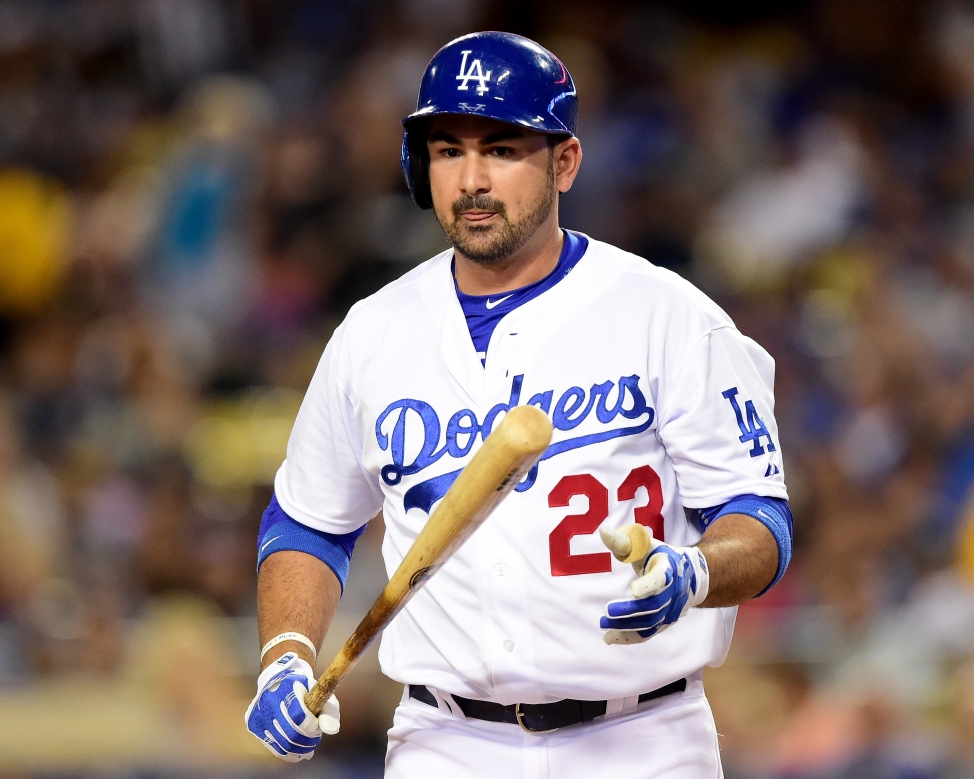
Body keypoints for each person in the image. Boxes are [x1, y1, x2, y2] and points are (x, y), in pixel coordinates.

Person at [245, 31, 792, 779]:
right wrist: (285, 653)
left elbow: (760, 520)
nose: (472, 179)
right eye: (448, 150)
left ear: (564, 161)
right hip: (445, 739)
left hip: (642, 738)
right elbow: (309, 520)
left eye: (502, 150)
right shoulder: (372, 333)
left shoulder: (669, 316)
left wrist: (693, 569)